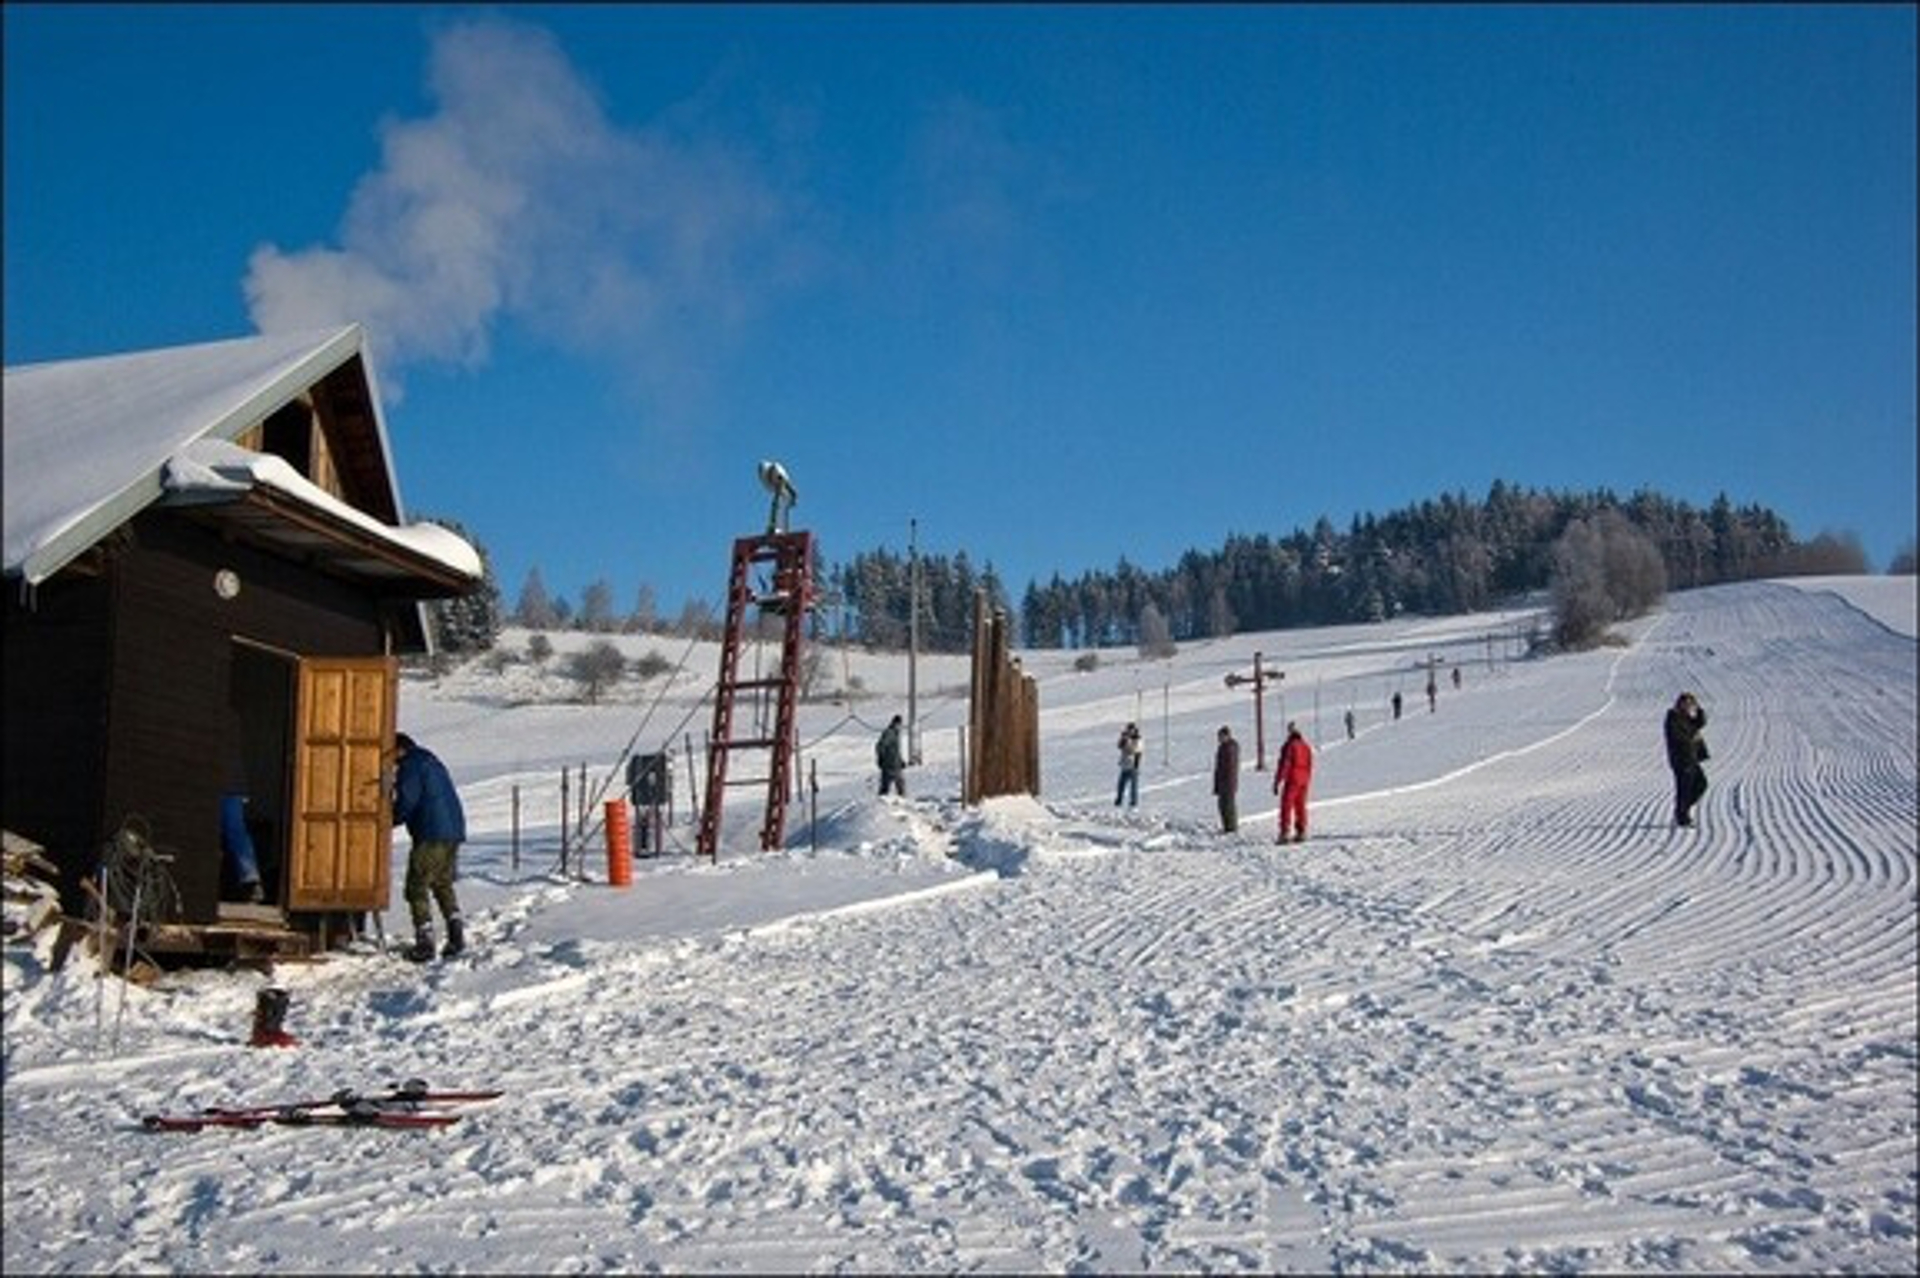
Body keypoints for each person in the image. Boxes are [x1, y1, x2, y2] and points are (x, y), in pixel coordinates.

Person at [391, 733, 468, 962]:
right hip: (452, 830)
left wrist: (390, 818)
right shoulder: (430, 761)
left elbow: (408, 799)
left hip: (430, 832)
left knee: (416, 886)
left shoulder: (411, 765)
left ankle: (425, 942)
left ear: (399, 750)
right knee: (442, 882)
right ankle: (455, 934)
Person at [1663, 692, 1710, 828]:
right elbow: (1676, 737)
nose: (1688, 706)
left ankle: (1681, 810)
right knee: (1684, 789)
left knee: (1701, 784)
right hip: (1681, 759)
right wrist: (1692, 737)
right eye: (1686, 703)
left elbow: (1700, 723)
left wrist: (1698, 708)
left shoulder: (1687, 717)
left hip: (1692, 758)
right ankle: (1682, 817)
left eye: (1690, 704)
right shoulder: (1673, 717)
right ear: (1679, 703)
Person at [1274, 720, 1314, 843]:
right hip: (1304, 780)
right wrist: (1307, 778)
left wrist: (1277, 780)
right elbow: (1310, 764)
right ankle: (1301, 831)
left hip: (1292, 779)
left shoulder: (1289, 746)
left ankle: (1285, 832)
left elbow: (1285, 764)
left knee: (1286, 805)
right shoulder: (1306, 746)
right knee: (1300, 806)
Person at [1212, 726, 1239, 833]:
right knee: (1222, 805)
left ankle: (1231, 827)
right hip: (1223, 782)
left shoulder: (1229, 748)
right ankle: (1227, 826)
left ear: (1227, 736)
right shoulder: (1223, 747)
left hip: (1228, 783)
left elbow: (1229, 768)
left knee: (1227, 806)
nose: (1219, 739)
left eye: (1221, 736)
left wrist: (1225, 782)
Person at [1115, 722, 1144, 807]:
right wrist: (1123, 738)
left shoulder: (1137, 740)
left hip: (1133, 765)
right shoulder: (1125, 739)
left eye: (1131, 730)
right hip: (1125, 765)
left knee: (1133, 786)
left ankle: (1133, 802)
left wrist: (1128, 740)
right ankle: (1119, 799)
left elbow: (1133, 750)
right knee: (1121, 784)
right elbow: (1119, 746)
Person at [876, 715, 906, 796]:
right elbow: (880, 746)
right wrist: (881, 758)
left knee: (900, 784)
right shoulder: (889, 733)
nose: (900, 727)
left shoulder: (895, 734)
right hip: (889, 765)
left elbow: (896, 751)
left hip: (895, 764)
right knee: (886, 785)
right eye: (899, 725)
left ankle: (902, 798)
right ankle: (882, 799)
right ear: (895, 723)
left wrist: (900, 761)